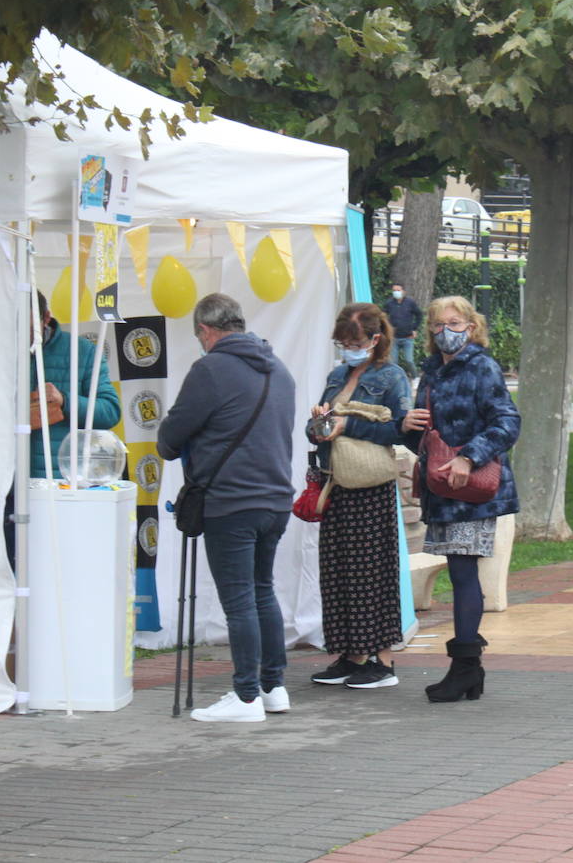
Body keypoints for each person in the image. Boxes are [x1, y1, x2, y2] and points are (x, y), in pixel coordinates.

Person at [158, 293, 297, 722]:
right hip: (275, 498)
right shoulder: (281, 370)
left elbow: (170, 436)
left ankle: (246, 697)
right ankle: (273, 687)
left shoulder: (211, 369)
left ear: (205, 330)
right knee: (261, 590)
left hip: (231, 500)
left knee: (238, 599)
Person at [402, 295, 520, 702]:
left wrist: (470, 457)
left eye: (454, 323)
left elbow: (507, 421)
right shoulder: (433, 370)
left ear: (471, 327)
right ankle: (469, 670)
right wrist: (408, 424)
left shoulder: (481, 366)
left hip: (473, 488)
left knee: (464, 572)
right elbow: (426, 431)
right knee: (458, 571)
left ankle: (466, 666)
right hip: (441, 485)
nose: (444, 331)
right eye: (437, 325)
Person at [307, 303, 410, 690]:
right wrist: (318, 424)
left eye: (353, 342)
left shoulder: (392, 376)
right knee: (338, 572)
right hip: (337, 482)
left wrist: (349, 426)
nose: (347, 348)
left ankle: (381, 659)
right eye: (342, 342)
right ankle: (351, 654)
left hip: (369, 487)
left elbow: (402, 430)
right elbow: (315, 427)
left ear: (375, 339)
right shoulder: (338, 375)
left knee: (372, 573)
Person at [5, 292, 122, 566]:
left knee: (57, 569)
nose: (23, 336)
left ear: (47, 318)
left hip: (59, 485)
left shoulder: (83, 351)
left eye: (30, 327)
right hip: (4, 484)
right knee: (11, 570)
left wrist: (66, 401)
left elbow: (110, 411)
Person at [384, 282, 423, 378]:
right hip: (394, 338)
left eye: (398, 290)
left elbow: (419, 315)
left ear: (403, 291)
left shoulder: (410, 302)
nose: (396, 292)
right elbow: (383, 317)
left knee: (409, 360)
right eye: (394, 290)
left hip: (408, 337)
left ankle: (415, 378)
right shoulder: (389, 303)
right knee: (393, 362)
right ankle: (396, 380)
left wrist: (414, 328)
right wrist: (386, 329)